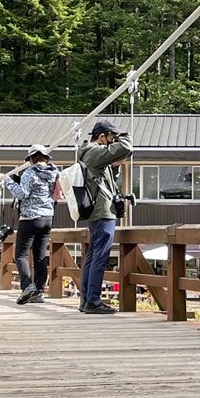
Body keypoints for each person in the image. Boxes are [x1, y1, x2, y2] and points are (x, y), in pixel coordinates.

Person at [78, 119, 133, 315]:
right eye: (111, 138)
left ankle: (86, 299)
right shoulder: (93, 152)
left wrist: (115, 165)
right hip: (103, 212)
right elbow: (126, 146)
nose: (112, 142)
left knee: (93, 257)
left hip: (97, 212)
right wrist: (122, 136)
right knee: (100, 257)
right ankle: (92, 300)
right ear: (102, 136)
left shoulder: (89, 154)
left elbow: (105, 181)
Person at [4, 144, 60, 305]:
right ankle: (39, 292)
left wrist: (8, 181)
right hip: (47, 217)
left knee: (21, 255)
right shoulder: (54, 172)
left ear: (33, 158)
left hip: (30, 218)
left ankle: (28, 287)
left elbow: (23, 194)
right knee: (40, 255)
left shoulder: (30, 172)